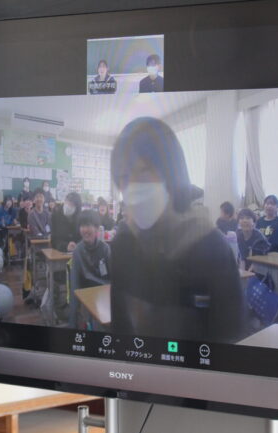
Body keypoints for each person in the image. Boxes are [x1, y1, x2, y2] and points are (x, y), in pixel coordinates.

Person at [109, 117, 248, 343]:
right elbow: (120, 328)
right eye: (124, 177)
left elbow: (229, 336)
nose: (133, 186)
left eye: (144, 171)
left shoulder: (212, 248)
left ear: (171, 172)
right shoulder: (124, 243)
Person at [68, 210, 111, 328]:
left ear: (97, 228)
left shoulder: (105, 249)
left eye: (88, 225)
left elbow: (114, 278)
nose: (85, 230)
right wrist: (72, 324)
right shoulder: (78, 251)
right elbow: (74, 286)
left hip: (104, 295)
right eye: (82, 226)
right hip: (87, 297)